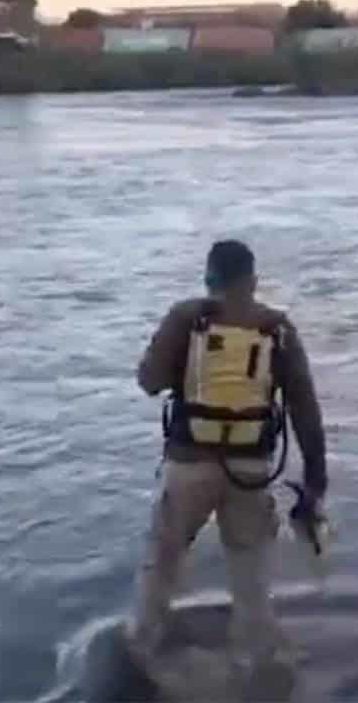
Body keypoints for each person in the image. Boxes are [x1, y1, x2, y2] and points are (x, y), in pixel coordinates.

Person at [126, 239, 329, 678]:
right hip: (250, 469)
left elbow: (149, 381)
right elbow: (305, 408)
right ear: (252, 280)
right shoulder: (277, 328)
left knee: (164, 557)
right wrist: (316, 479)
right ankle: (257, 655)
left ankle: (143, 646)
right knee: (250, 565)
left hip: (188, 462)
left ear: (209, 277)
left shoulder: (187, 316)